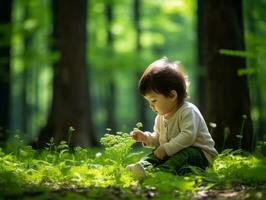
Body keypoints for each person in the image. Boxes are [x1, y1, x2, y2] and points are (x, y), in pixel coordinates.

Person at [126, 57, 218, 177]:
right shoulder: (161, 116)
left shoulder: (188, 111)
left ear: (172, 95)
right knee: (155, 154)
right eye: (149, 102)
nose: (151, 106)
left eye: (154, 100)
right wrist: (146, 138)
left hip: (200, 154)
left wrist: (165, 149)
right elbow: (158, 139)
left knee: (185, 154)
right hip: (174, 152)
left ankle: (161, 173)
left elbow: (188, 137)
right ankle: (142, 167)